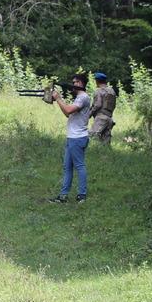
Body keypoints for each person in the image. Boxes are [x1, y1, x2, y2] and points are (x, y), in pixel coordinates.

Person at [49, 74, 91, 204]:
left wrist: (58, 98)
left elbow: (67, 110)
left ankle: (82, 195)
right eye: (73, 82)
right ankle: (63, 196)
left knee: (79, 166)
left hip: (77, 138)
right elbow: (69, 114)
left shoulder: (83, 97)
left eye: (76, 82)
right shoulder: (79, 97)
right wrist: (58, 101)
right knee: (67, 168)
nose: (73, 84)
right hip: (72, 137)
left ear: (82, 84)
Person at [88, 72, 117, 145]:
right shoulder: (112, 91)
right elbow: (113, 105)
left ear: (97, 81)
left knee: (91, 135)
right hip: (109, 118)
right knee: (105, 143)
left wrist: (89, 114)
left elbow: (97, 104)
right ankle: (106, 155)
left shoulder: (99, 91)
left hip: (101, 117)